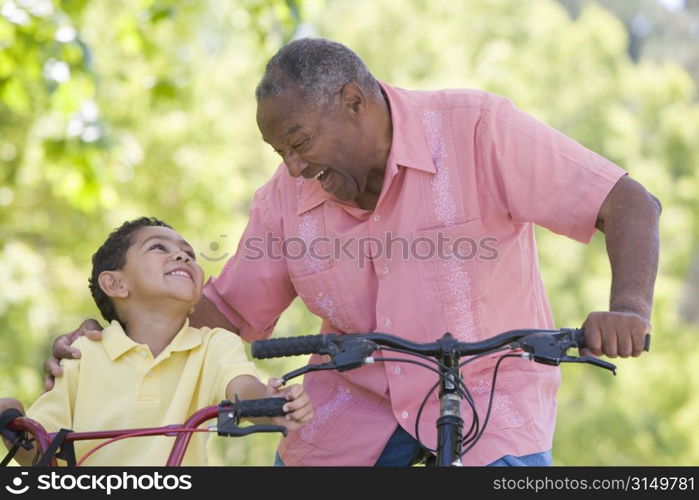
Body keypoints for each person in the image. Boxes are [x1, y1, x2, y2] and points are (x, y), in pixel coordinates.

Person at [45, 38, 660, 467]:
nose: (292, 166)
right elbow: (229, 314)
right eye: (279, 151)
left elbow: (628, 204)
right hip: (348, 405)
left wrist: (628, 309)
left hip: (491, 394)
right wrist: (114, 340)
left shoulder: (477, 128)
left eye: (299, 141)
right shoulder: (285, 197)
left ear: (354, 102)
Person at [1, 217, 312, 466]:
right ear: (115, 284)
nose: (182, 256)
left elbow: (242, 387)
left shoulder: (213, 346)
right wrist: (12, 426)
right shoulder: (83, 354)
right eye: (158, 248)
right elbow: (42, 451)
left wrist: (272, 404)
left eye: (190, 254)